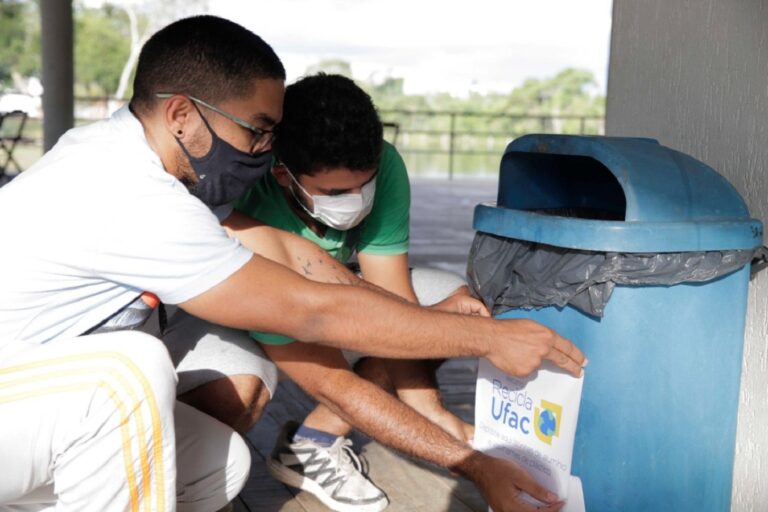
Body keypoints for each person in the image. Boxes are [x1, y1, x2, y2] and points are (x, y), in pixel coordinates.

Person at [0, 15, 585, 512]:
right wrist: (481, 346)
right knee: (128, 370)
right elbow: (313, 314)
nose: (263, 149)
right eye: (257, 131)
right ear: (181, 114)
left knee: (220, 463)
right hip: (19, 393)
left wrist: (454, 337)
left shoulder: (164, 176)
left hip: (36, 395)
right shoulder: (127, 190)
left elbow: (303, 265)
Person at [232, 73, 484, 511]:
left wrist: (429, 405)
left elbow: (395, 303)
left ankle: (313, 441)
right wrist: (456, 450)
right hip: (255, 301)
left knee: (449, 300)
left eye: (364, 184)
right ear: (283, 175)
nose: (356, 199)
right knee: (246, 385)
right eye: (335, 192)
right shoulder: (248, 194)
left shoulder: (385, 165)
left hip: (337, 288)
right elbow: (333, 379)